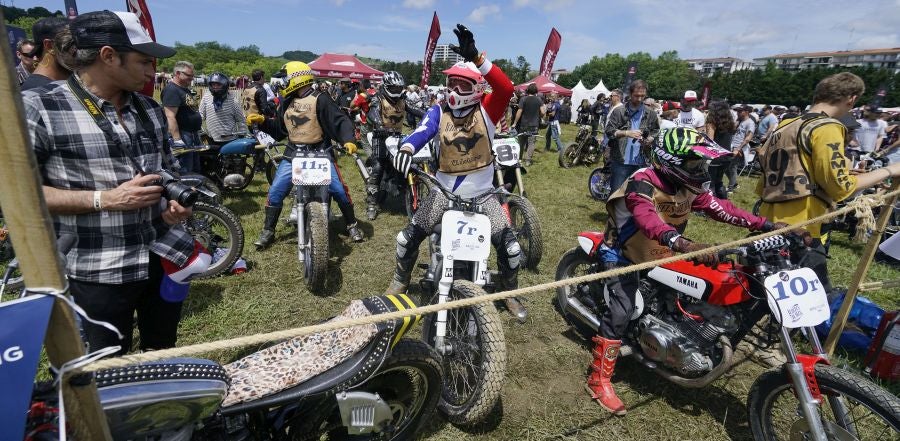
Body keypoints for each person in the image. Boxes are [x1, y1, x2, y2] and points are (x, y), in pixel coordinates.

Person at [22, 10, 208, 355]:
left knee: (163, 349)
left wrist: (173, 200)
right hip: (98, 267)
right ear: (108, 56)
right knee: (108, 364)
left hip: (164, 254)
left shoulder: (149, 109)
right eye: (144, 62)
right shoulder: (39, 107)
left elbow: (166, 168)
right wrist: (104, 199)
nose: (153, 72)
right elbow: (18, 197)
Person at [588, 127, 785, 415]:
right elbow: (647, 219)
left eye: (702, 163)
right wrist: (681, 242)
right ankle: (599, 379)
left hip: (663, 253)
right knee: (621, 310)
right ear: (670, 161)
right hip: (623, 253)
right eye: (694, 164)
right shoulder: (642, 183)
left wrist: (764, 225)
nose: (701, 169)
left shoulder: (688, 188)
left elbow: (722, 208)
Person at [383, 24, 526, 320]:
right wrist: (408, 148)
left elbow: (506, 88)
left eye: (461, 85)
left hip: (484, 196)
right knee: (406, 239)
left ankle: (510, 292)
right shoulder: (439, 109)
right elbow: (422, 131)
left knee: (511, 249)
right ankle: (399, 281)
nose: (452, 90)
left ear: (476, 88)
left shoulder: (488, 109)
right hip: (443, 194)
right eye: (450, 83)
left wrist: (477, 58)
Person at [756, 72, 900, 298]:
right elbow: (841, 187)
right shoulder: (827, 127)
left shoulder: (786, 124)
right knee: (817, 300)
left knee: (765, 293)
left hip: (767, 219)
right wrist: (889, 170)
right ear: (851, 99)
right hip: (802, 227)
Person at [249, 61, 365, 248]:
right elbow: (279, 130)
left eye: (285, 77)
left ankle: (351, 224)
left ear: (296, 78)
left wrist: (348, 139)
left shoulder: (322, 98)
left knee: (340, 190)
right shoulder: (287, 101)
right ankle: (268, 230)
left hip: (321, 152)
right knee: (276, 191)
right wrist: (262, 121)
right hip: (293, 153)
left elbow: (340, 120)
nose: (282, 82)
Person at [365, 71, 411, 220]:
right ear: (386, 86)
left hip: (397, 137)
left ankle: (406, 194)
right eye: (394, 88)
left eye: (399, 88)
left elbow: (415, 110)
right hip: (381, 136)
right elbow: (373, 113)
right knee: (378, 167)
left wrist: (430, 116)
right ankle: (371, 203)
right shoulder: (378, 98)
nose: (397, 91)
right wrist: (379, 124)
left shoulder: (403, 100)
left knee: (406, 165)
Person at [604, 80, 659, 193]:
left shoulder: (650, 113)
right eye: (636, 95)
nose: (639, 99)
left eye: (642, 96)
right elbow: (609, 131)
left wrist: (649, 139)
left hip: (641, 162)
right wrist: (626, 133)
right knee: (616, 195)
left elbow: (656, 131)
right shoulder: (619, 111)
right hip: (620, 161)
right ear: (630, 94)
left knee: (636, 196)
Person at [161, 61, 202, 172]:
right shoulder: (172, 90)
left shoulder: (184, 89)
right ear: (178, 73)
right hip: (183, 135)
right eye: (189, 75)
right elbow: (170, 116)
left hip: (192, 134)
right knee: (185, 169)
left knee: (194, 167)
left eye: (192, 76)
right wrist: (177, 140)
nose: (192, 78)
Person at [19, 17, 71, 91]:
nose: (80, 50)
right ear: (50, 46)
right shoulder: (37, 94)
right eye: (71, 43)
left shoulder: (63, 85)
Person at [199, 72, 247, 145]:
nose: (215, 87)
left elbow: (241, 120)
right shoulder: (206, 97)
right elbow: (201, 114)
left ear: (225, 85)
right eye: (213, 84)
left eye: (218, 85)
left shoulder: (233, 100)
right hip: (210, 138)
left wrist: (241, 135)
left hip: (229, 139)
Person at [703, 100, 736, 199]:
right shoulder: (730, 122)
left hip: (715, 156)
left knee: (711, 183)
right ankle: (723, 202)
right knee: (719, 181)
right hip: (726, 156)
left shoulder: (712, 122)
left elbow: (710, 140)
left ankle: (712, 205)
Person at [512, 83, 544, 166]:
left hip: (524, 125)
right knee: (531, 143)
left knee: (521, 142)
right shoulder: (539, 100)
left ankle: (519, 159)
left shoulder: (523, 99)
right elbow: (543, 112)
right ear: (536, 91)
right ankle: (528, 161)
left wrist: (514, 123)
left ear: (528, 90)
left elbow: (519, 111)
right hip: (534, 125)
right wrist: (539, 115)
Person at [728, 104, 756, 191]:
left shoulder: (750, 123)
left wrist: (738, 149)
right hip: (732, 145)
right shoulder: (740, 121)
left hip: (739, 148)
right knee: (727, 166)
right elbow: (732, 131)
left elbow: (748, 138)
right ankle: (734, 183)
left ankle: (731, 188)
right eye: (737, 111)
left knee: (732, 167)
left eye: (740, 111)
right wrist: (736, 122)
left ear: (747, 112)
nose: (738, 113)